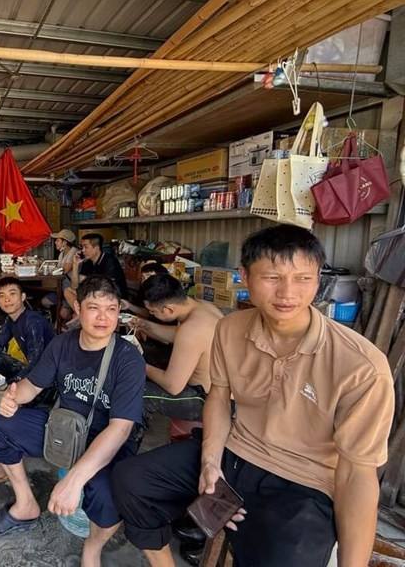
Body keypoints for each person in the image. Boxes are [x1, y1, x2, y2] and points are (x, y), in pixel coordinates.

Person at [111, 224, 395, 567]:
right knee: (131, 479)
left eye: (304, 278)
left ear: (319, 279)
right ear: (244, 277)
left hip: (306, 481)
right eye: (273, 277)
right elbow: (218, 395)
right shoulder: (230, 329)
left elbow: (357, 476)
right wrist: (210, 463)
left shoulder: (361, 366)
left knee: (284, 553)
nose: (288, 292)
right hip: (236, 453)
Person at [0, 276, 145, 567]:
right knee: (0, 426)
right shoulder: (62, 344)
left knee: (108, 494)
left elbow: (121, 428)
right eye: (94, 307)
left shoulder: (128, 358)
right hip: (65, 428)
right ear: (78, 308)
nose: (103, 317)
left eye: (112, 309)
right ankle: (26, 505)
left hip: (108, 438)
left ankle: (92, 548)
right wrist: (12, 397)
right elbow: (32, 386)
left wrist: (75, 479)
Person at [0, 276, 54, 427]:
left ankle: (16, 413)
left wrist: (15, 382)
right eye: (2, 296)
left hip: (46, 385)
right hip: (34, 372)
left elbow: (36, 363)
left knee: (18, 414)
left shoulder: (33, 322)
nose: (7, 300)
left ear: (23, 297)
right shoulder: (11, 320)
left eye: (12, 294)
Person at [132, 273, 221, 423]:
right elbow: (178, 336)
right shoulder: (203, 308)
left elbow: (172, 386)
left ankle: (124, 445)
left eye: (153, 312)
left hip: (207, 399)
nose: (151, 314)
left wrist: (138, 364)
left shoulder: (192, 329)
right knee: (152, 354)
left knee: (138, 394)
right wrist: (144, 325)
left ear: (169, 310)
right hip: (223, 392)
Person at [64, 233, 127, 319]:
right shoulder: (88, 262)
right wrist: (75, 265)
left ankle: (82, 317)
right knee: (68, 291)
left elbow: (107, 288)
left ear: (96, 248)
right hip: (93, 294)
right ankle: (83, 316)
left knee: (74, 314)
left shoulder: (109, 261)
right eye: (82, 247)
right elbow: (74, 286)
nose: (82, 250)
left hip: (109, 296)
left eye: (86, 247)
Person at [41, 229, 78, 319]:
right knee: (44, 301)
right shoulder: (62, 253)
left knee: (63, 313)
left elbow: (64, 270)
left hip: (71, 290)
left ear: (65, 242)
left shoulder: (74, 252)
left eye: (57, 240)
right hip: (61, 288)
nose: (55, 243)